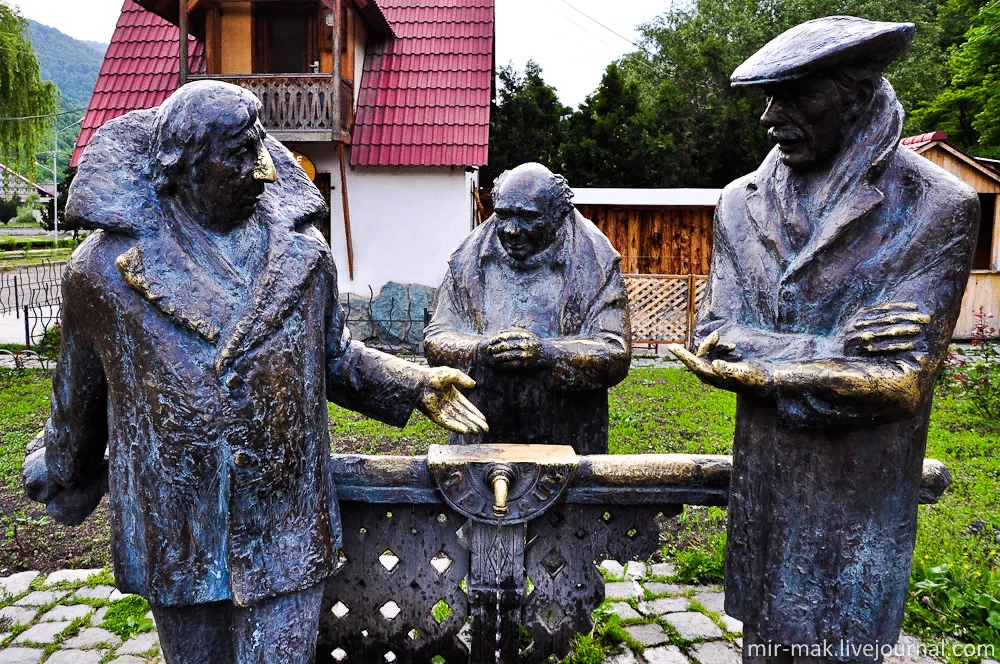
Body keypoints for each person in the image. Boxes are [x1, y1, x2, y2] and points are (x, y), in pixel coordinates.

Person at [23, 80, 487, 664]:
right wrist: (61, 469)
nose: (265, 169)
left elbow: (335, 357)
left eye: (261, 144)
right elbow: (78, 401)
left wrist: (416, 382)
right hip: (178, 532)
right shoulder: (102, 273)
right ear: (183, 166)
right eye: (240, 152)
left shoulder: (304, 255)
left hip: (285, 525)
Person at [668, 17, 979, 664]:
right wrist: (830, 350)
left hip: (860, 504)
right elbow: (716, 338)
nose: (768, 118)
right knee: (764, 647)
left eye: (795, 95)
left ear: (858, 93)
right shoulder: (738, 201)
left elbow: (899, 382)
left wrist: (770, 363)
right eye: (768, 97)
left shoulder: (937, 206)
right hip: (769, 491)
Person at [424, 162, 630, 454]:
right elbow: (436, 338)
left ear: (558, 215)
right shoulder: (466, 259)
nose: (511, 230)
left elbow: (615, 353)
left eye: (527, 218)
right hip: (480, 441)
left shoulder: (595, 262)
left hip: (569, 440)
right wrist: (482, 351)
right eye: (503, 216)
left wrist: (547, 355)